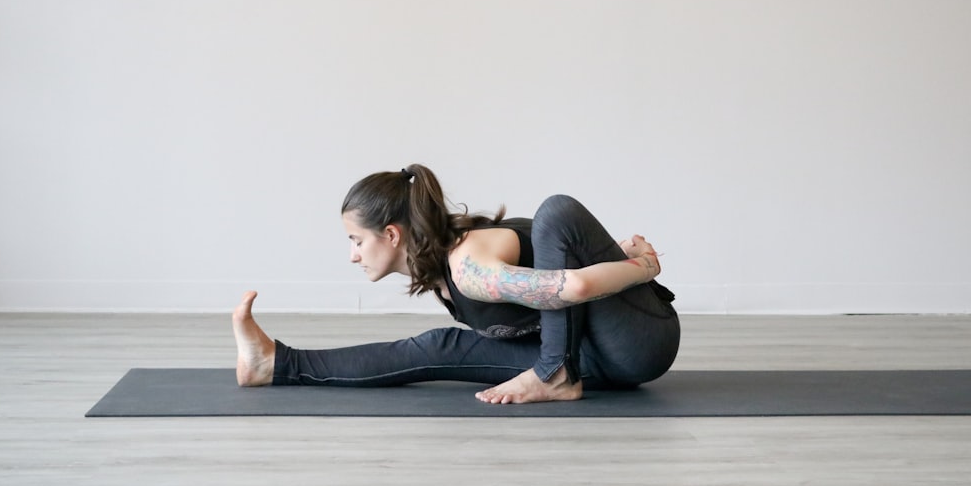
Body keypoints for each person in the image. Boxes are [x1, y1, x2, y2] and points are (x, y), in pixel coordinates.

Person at [232, 164, 680, 404]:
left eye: (356, 240)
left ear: (391, 234)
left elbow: (577, 288)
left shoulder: (469, 268)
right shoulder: (444, 272)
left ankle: (555, 376)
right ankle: (276, 364)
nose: (352, 254)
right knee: (435, 346)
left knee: (556, 210)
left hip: (639, 342)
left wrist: (645, 267)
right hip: (593, 351)